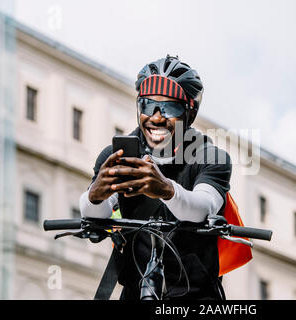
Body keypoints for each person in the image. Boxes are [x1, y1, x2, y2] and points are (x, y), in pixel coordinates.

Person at [79, 55, 232, 300]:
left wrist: (165, 189)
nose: (157, 117)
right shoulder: (116, 154)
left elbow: (203, 208)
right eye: (148, 105)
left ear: (189, 113)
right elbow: (96, 214)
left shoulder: (211, 157)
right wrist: (95, 196)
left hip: (195, 295)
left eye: (169, 107)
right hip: (136, 289)